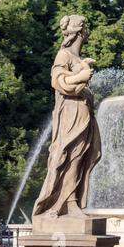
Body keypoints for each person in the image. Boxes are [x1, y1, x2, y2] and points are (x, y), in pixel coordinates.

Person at [32, 15, 101, 218]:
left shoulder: (77, 58)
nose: (87, 31)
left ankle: (71, 202)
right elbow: (58, 81)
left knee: (80, 157)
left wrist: (81, 68)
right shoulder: (63, 55)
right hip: (70, 115)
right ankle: (64, 203)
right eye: (86, 27)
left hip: (83, 115)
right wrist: (81, 76)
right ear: (80, 32)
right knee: (68, 156)